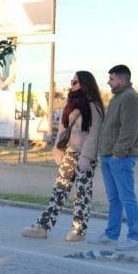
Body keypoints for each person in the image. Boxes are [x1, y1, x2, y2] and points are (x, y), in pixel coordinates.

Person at [22, 71, 105, 240]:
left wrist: (87, 157)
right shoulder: (70, 103)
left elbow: (94, 133)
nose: (71, 85)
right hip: (70, 152)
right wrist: (58, 150)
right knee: (59, 190)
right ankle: (43, 227)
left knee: (82, 193)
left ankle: (78, 231)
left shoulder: (93, 106)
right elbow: (62, 129)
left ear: (84, 84)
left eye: (75, 82)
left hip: (84, 156)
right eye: (71, 81)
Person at [93, 64, 138, 250]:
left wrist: (118, 153)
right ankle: (111, 234)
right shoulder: (118, 97)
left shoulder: (130, 98)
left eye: (112, 79)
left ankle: (134, 237)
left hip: (121, 158)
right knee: (114, 198)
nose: (109, 82)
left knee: (127, 198)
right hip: (109, 156)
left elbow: (129, 129)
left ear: (122, 79)